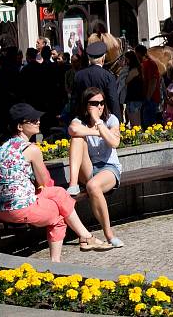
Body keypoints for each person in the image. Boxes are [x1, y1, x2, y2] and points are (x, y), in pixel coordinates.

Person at [0, 104, 112, 261]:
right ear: (20, 126)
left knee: (60, 193)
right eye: (33, 120)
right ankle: (55, 265)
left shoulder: (1, 148)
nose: (38, 122)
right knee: (58, 215)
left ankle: (86, 237)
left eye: (38, 119)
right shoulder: (31, 149)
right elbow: (43, 181)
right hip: (18, 209)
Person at [66, 88, 124, 248]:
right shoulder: (79, 121)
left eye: (101, 103)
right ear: (85, 105)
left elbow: (114, 142)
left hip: (109, 168)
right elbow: (73, 130)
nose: (99, 106)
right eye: (94, 103)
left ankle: (109, 234)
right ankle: (73, 184)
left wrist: (98, 122)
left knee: (93, 186)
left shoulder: (111, 119)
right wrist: (97, 132)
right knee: (77, 139)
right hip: (89, 168)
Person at [72, 41, 122, 122]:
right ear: (103, 57)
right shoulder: (108, 76)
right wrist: (118, 122)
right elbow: (113, 101)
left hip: (84, 118)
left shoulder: (79, 75)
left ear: (89, 58)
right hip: (103, 118)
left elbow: (75, 100)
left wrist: (73, 119)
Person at [133, 44, 160, 126]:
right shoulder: (143, 64)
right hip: (147, 98)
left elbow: (153, 81)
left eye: (136, 53)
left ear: (139, 53)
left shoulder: (150, 64)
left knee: (149, 124)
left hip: (151, 98)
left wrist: (148, 97)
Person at [123, 50, 144, 127]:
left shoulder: (134, 70)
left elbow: (126, 80)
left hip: (134, 99)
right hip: (133, 98)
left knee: (135, 123)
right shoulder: (137, 68)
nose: (126, 61)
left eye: (126, 59)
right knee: (134, 123)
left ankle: (137, 137)